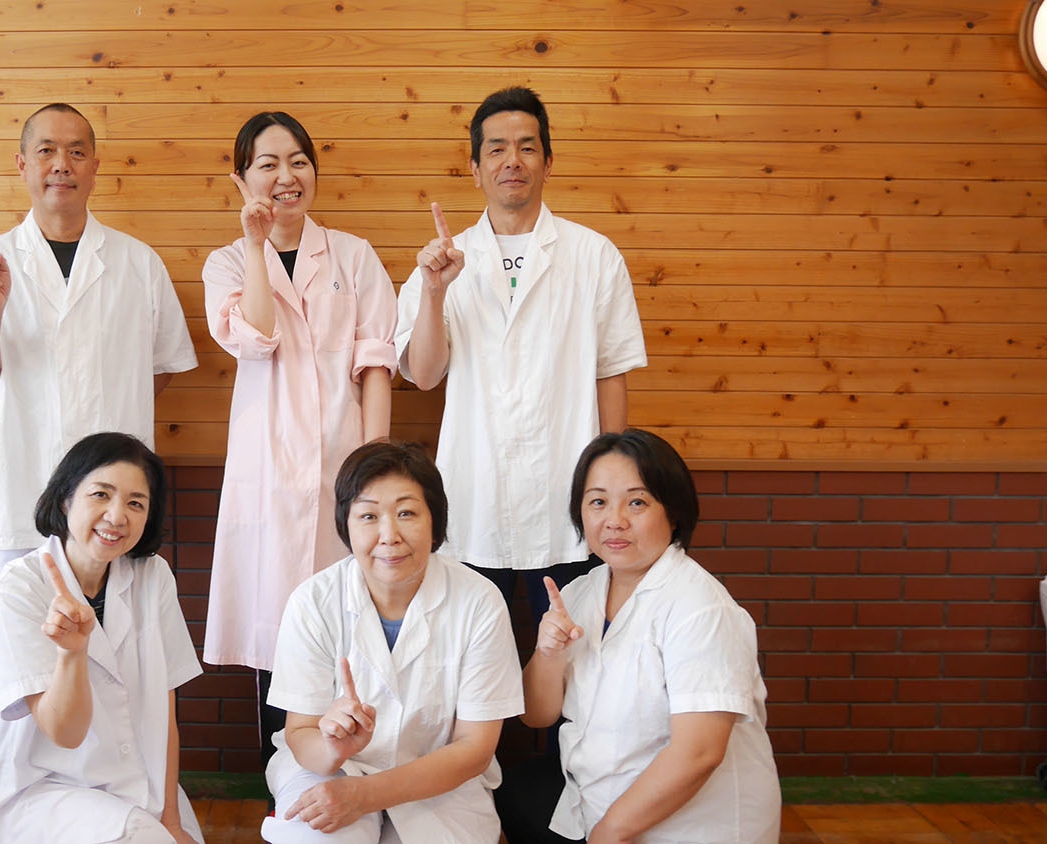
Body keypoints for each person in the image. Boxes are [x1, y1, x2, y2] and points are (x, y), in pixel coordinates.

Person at [395, 86, 647, 619]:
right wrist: (436, 289)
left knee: (571, 661)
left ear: (548, 162)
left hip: (567, 497)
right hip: (475, 495)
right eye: (497, 149)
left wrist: (612, 488)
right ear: (475, 167)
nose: (513, 160)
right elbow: (423, 374)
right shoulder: (440, 263)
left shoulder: (593, 255)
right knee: (478, 665)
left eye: (527, 147)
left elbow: (611, 374)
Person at [0, 103, 197, 591]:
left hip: (115, 503)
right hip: (24, 486)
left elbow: (161, 368)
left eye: (77, 152)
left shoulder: (138, 263)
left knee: (116, 652)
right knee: (22, 652)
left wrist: (105, 403)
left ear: (95, 166)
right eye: (46, 151)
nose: (61, 164)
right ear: (22, 164)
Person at [200, 113, 398, 762]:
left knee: (347, 623)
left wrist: (374, 469)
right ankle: (285, 786)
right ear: (242, 177)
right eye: (268, 164)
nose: (286, 177)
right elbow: (257, 336)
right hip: (267, 476)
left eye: (299, 161)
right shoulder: (227, 262)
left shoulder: (353, 254)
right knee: (276, 635)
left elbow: (375, 363)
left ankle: (349, 771)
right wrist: (257, 247)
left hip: (347, 468)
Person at [508, 429, 780, 844]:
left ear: (673, 512)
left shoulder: (700, 607)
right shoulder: (581, 592)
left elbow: (699, 753)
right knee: (513, 793)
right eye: (598, 501)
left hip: (692, 826)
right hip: (598, 800)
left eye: (637, 502)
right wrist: (548, 653)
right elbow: (537, 716)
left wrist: (609, 833)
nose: (614, 520)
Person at [261, 440, 523, 844]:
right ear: (345, 524)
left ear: (435, 520)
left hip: (437, 780)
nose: (389, 535)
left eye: (406, 513)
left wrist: (366, 796)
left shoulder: (479, 602)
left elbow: (475, 747)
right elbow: (301, 733)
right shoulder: (312, 602)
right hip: (327, 771)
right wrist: (332, 747)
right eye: (368, 515)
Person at [0, 432, 204, 844]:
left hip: (134, 780)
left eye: (135, 503)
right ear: (66, 499)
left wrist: (171, 818)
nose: (117, 516)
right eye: (100, 494)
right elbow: (65, 732)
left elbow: (164, 708)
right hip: (41, 790)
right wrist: (72, 654)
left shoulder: (153, 577)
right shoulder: (19, 591)